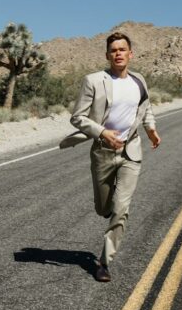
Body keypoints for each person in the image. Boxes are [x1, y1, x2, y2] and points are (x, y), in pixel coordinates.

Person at [61, 32, 161, 282]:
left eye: (122, 49)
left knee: (121, 209)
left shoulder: (139, 81)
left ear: (131, 54)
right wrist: (103, 132)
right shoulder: (94, 81)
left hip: (131, 151)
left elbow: (145, 107)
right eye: (113, 50)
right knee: (103, 207)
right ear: (107, 55)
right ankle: (107, 207)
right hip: (103, 153)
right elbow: (78, 117)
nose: (118, 53)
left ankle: (104, 262)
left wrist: (151, 130)